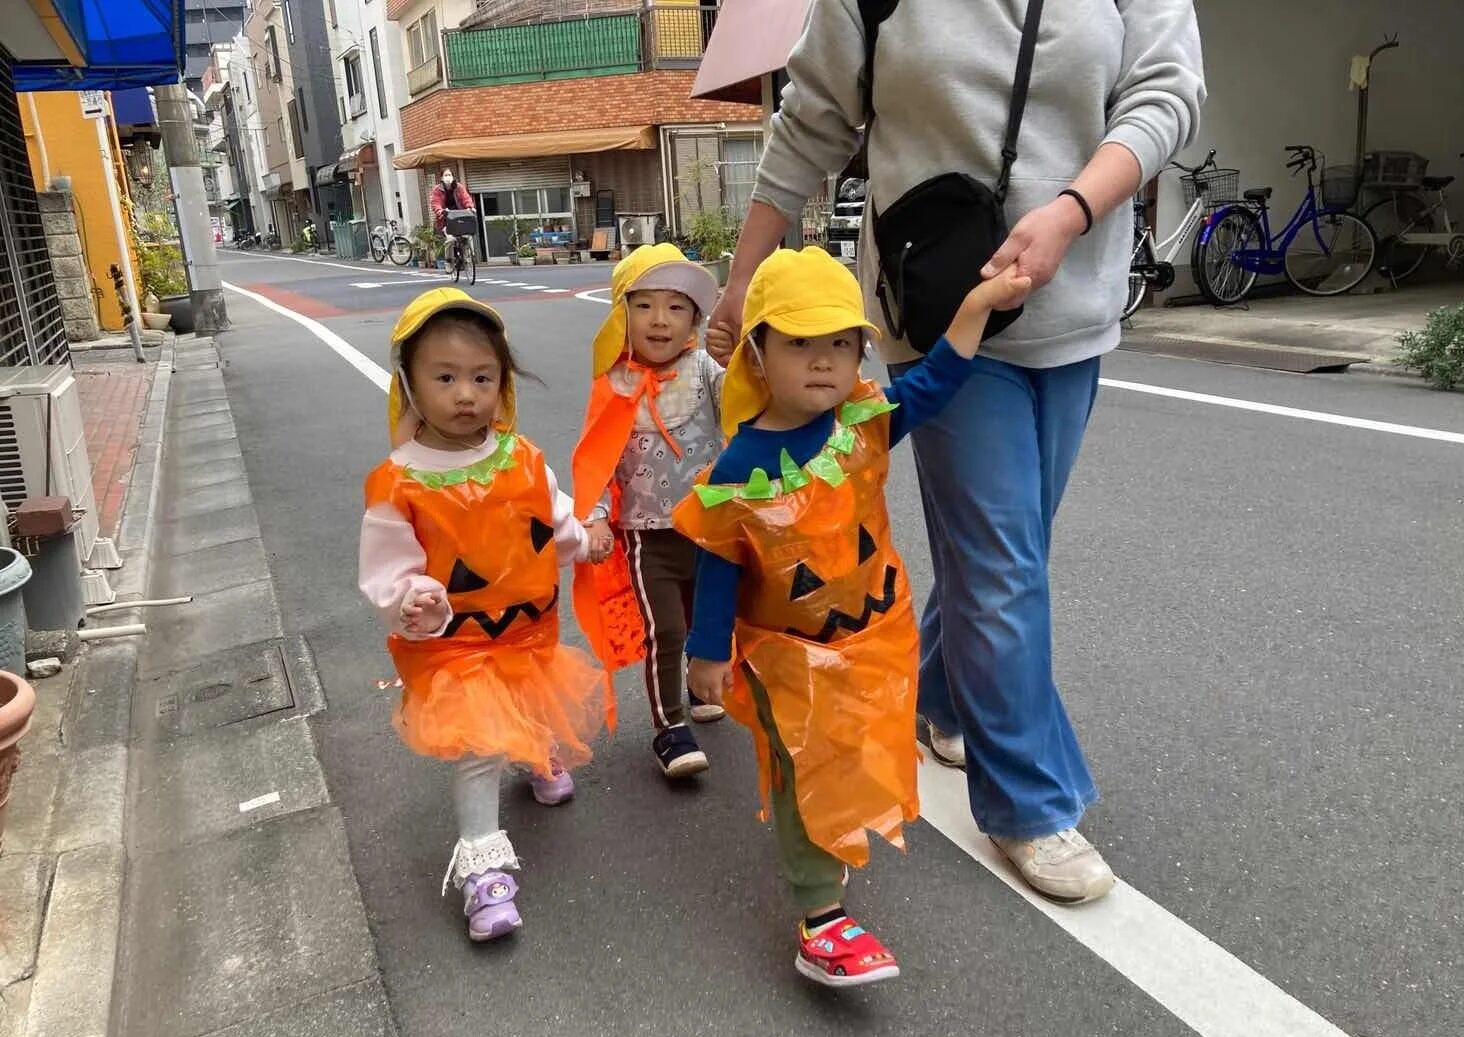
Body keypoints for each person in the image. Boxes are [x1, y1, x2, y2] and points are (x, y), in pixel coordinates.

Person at [706, 0, 1205, 905]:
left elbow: (1165, 93)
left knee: (1006, 556)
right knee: (1004, 569)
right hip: (937, 322)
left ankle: (941, 701)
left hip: (1074, 309)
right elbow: (810, 120)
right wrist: (742, 284)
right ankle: (1026, 803)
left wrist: (1071, 210)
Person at [676, 247, 1032, 987]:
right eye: (800, 343)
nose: (823, 362)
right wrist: (707, 652)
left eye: (841, 344)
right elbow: (719, 562)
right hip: (788, 656)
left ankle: (834, 855)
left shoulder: (861, 425)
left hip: (870, 636)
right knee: (805, 772)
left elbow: (933, 383)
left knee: (856, 753)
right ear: (759, 355)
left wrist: (976, 306)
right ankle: (819, 919)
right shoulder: (742, 464)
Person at [359, 288, 604, 942]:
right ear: (409, 385)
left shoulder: (522, 458)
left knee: (529, 694)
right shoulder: (400, 483)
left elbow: (552, 520)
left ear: (503, 383)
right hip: (454, 645)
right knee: (477, 745)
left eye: (482, 377)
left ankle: (542, 757)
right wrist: (411, 594)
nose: (465, 393)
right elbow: (385, 566)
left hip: (526, 625)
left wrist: (584, 539)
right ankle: (483, 869)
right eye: (445, 378)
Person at [570, 244, 727, 778]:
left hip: (709, 528)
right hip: (646, 533)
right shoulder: (611, 382)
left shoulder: (707, 369)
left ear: (695, 320)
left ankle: (698, 680)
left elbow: (747, 407)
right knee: (666, 627)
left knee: (707, 615)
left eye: (676, 306)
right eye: (644, 305)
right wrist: (592, 516)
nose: (660, 320)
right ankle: (670, 727)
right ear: (622, 314)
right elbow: (596, 456)